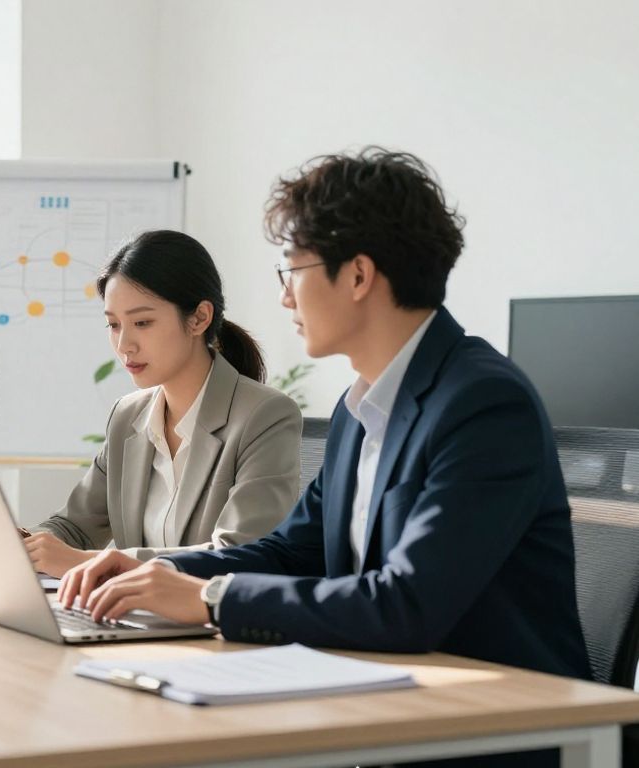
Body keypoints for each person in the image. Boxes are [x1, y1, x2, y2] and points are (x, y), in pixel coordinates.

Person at [59, 148, 589, 768]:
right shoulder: (359, 408)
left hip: (486, 735)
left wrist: (211, 600)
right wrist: (155, 571)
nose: (286, 298)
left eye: (293, 271)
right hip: (377, 710)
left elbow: (406, 604)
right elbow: (292, 552)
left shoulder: (482, 403)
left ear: (358, 276)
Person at [0, 230, 302, 577]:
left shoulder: (264, 415)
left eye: (142, 323)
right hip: (131, 617)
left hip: (209, 623)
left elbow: (240, 553)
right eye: (114, 324)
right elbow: (74, 528)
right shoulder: (129, 415)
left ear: (199, 318)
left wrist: (89, 562)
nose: (124, 345)